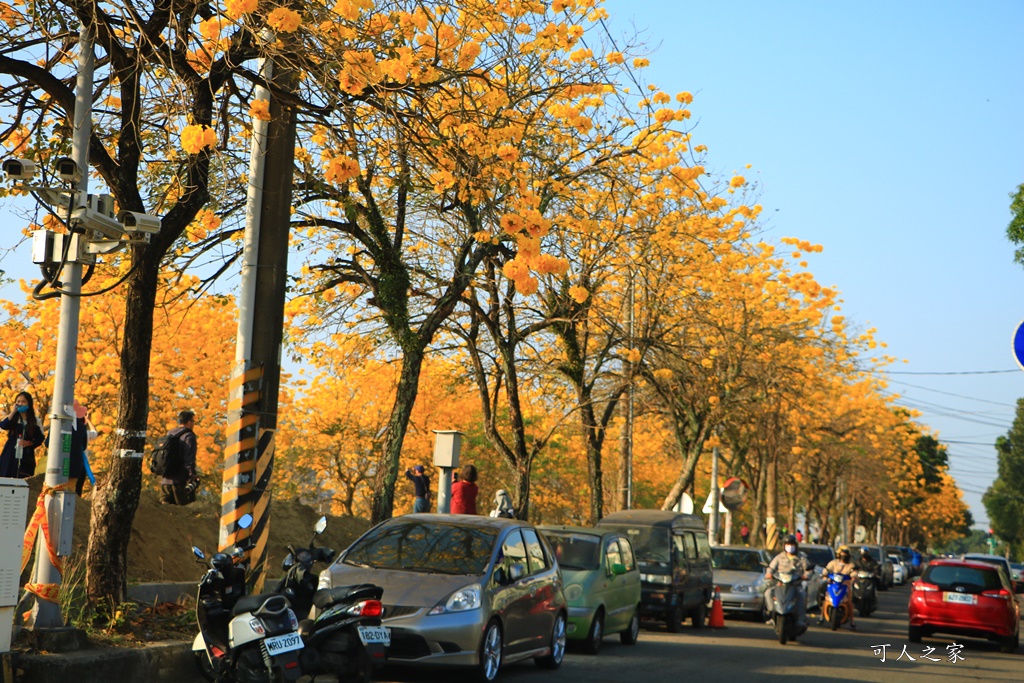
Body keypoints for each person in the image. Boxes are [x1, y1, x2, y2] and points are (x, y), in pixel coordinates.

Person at [763, 534, 811, 636]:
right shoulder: (779, 557)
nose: (790, 546)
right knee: (768, 593)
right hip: (780, 584)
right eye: (787, 544)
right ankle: (772, 614)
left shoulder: (801, 557)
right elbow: (771, 567)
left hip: (795, 585)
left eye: (791, 544)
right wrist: (769, 573)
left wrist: (805, 575)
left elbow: (808, 569)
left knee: (802, 595)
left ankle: (801, 619)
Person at [42, 400, 89, 494]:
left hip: (55, 468)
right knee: (70, 495)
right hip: (74, 468)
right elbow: (83, 447)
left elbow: (47, 443)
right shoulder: (82, 427)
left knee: (52, 493)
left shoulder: (57, 424)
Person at [0, 391, 45, 478]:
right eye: (18, 401)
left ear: (29, 403)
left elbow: (40, 438)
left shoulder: (35, 421)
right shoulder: (13, 418)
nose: (20, 404)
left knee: (24, 478)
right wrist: (13, 412)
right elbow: (3, 425)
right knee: (6, 478)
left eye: (23, 401)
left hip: (26, 455)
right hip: (11, 453)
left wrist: (30, 443)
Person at [160, 410, 197, 505]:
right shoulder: (189, 436)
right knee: (182, 514)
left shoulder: (170, 433)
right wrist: (192, 474)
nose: (193, 424)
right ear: (189, 422)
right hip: (179, 481)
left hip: (165, 480)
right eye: (193, 421)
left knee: (164, 513)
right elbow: (189, 458)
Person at [818, 545, 856, 629]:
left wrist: (853, 576)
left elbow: (853, 573)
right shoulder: (833, 563)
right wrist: (825, 574)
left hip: (845, 586)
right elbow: (827, 570)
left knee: (849, 602)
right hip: (833, 585)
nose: (844, 556)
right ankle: (821, 617)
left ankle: (852, 621)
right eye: (842, 554)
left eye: (846, 555)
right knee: (826, 599)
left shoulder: (850, 565)